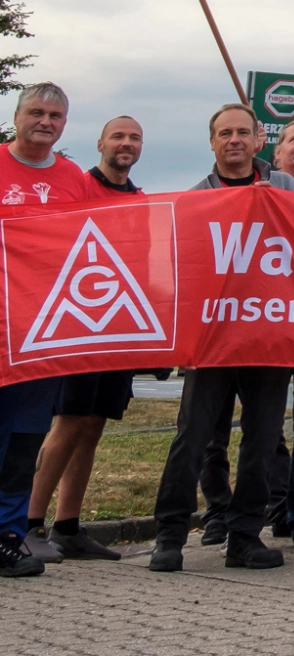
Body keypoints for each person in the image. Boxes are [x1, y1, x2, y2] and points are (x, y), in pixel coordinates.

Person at [150, 102, 294, 574]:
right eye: (224, 133)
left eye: (243, 132)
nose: (233, 140)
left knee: (260, 440)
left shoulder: (284, 188)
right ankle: (169, 537)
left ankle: (244, 536)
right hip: (211, 339)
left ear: (259, 140)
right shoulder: (193, 200)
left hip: (269, 337)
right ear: (212, 142)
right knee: (192, 438)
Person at [25, 115, 145, 563]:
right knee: (70, 420)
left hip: (119, 327)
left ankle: (68, 526)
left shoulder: (140, 199)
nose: (126, 144)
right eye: (118, 136)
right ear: (100, 143)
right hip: (76, 325)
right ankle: (28, 523)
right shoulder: (77, 186)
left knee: (94, 424)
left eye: (134, 138)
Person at [0, 85, 97, 578]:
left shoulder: (73, 180)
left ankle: (9, 536)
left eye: (55, 115)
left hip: (41, 336)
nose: (45, 121)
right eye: (36, 112)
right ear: (16, 117)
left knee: (24, 440)